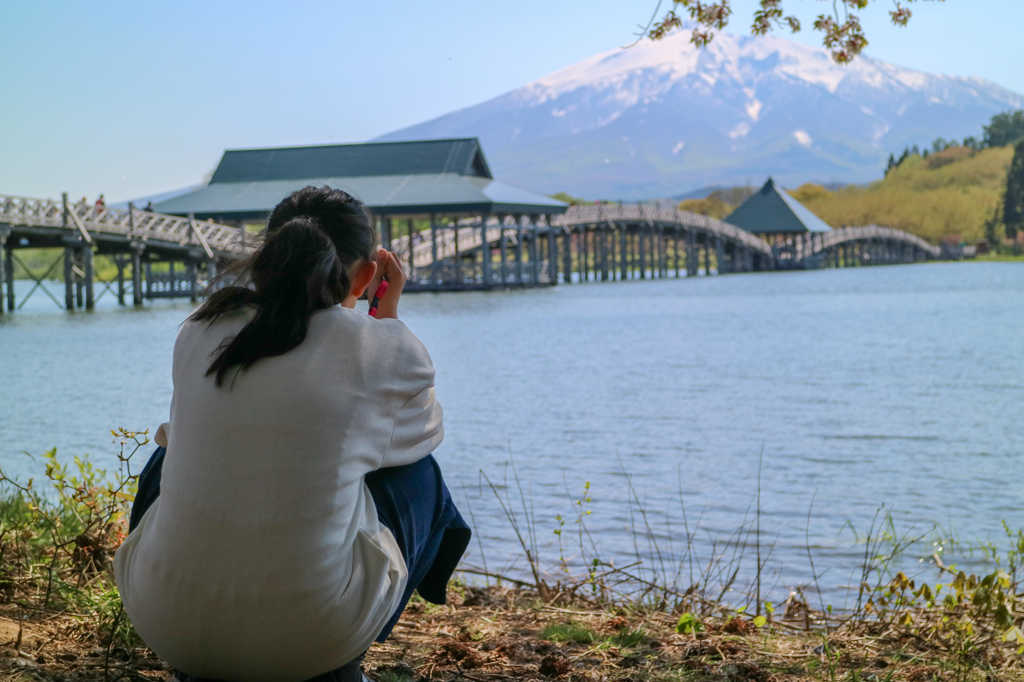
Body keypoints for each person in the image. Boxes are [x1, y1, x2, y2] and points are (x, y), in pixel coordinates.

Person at [114, 185, 470, 682]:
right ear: (369, 274)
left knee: (168, 449)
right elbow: (424, 434)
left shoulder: (201, 326)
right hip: (311, 641)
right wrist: (384, 323)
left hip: (164, 622)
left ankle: (207, 624)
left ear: (266, 258)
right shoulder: (379, 346)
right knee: (417, 469)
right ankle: (342, 664)